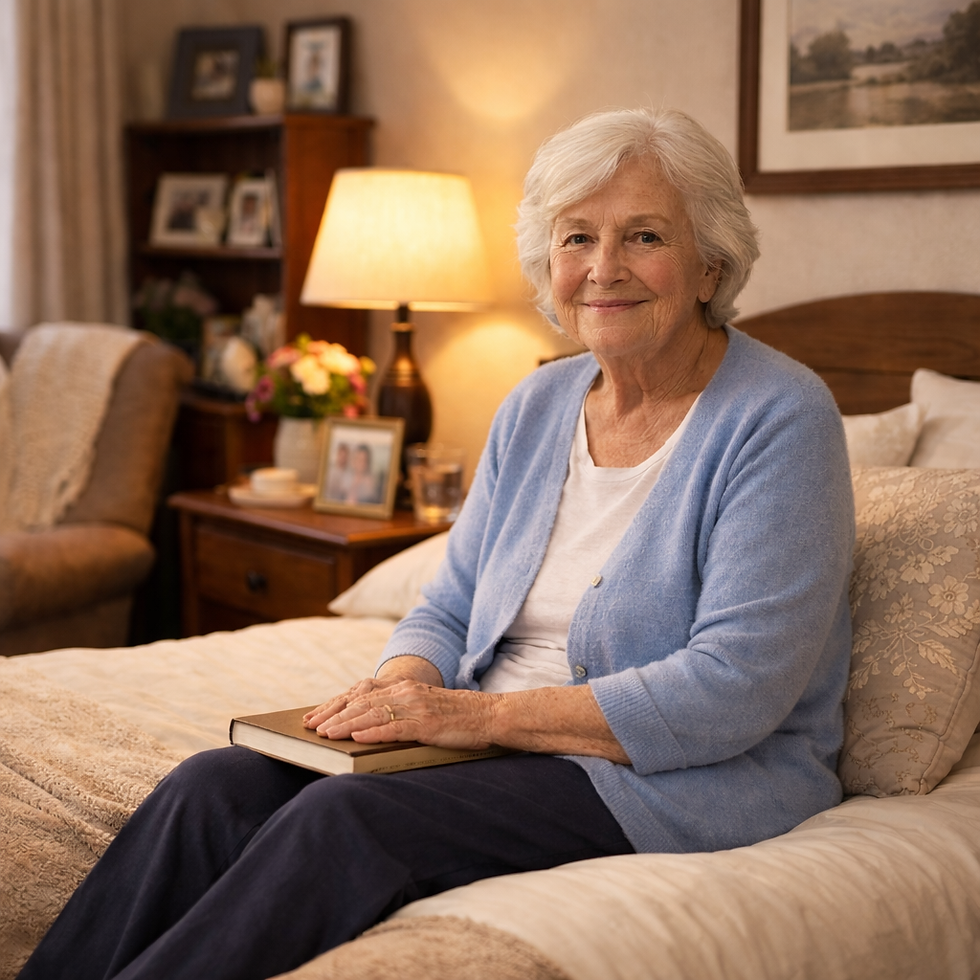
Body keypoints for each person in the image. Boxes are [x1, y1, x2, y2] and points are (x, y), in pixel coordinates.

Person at [19, 107, 854, 980]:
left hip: (669, 777)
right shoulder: (538, 403)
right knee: (209, 786)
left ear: (710, 263)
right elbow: (449, 603)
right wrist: (402, 689)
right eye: (577, 237)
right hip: (485, 739)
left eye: (644, 236)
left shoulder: (780, 417)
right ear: (548, 262)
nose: (604, 268)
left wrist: (473, 718)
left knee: (338, 822)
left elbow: (735, 688)